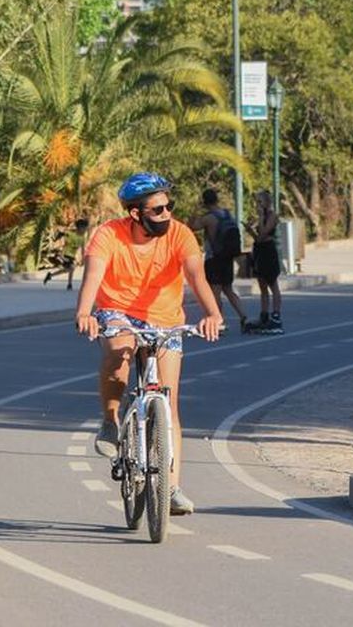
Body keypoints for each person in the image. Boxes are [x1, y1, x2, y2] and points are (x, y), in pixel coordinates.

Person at [74, 172, 223, 516]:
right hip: (117, 311)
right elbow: (93, 275)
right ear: (135, 214)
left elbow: (196, 276)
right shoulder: (108, 235)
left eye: (169, 206)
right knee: (116, 351)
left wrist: (212, 314)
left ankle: (170, 488)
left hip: (165, 317)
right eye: (157, 210)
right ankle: (110, 420)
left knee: (169, 404)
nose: (166, 214)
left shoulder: (181, 234)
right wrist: (85, 312)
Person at [190, 188, 248, 334]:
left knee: (214, 292)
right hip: (227, 258)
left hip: (214, 258)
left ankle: (217, 323)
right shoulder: (227, 215)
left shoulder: (209, 218)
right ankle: (243, 316)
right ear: (216, 199)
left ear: (205, 202)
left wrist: (194, 211)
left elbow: (192, 227)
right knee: (228, 289)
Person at [245, 190, 284, 333]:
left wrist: (261, 217)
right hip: (260, 250)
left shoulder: (272, 216)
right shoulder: (260, 217)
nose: (258, 205)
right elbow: (257, 238)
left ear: (267, 202)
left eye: (260, 202)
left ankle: (276, 315)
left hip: (269, 251)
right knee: (262, 285)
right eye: (257, 202)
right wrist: (249, 230)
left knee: (272, 283)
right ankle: (264, 314)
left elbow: (263, 234)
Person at [43, 218, 90, 290]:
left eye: (86, 229)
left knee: (67, 270)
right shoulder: (71, 234)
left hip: (72, 255)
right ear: (79, 227)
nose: (85, 230)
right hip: (64, 254)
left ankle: (50, 275)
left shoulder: (82, 238)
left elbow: (83, 249)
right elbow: (62, 233)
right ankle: (69, 284)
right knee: (71, 267)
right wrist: (57, 239)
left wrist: (83, 259)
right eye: (84, 228)